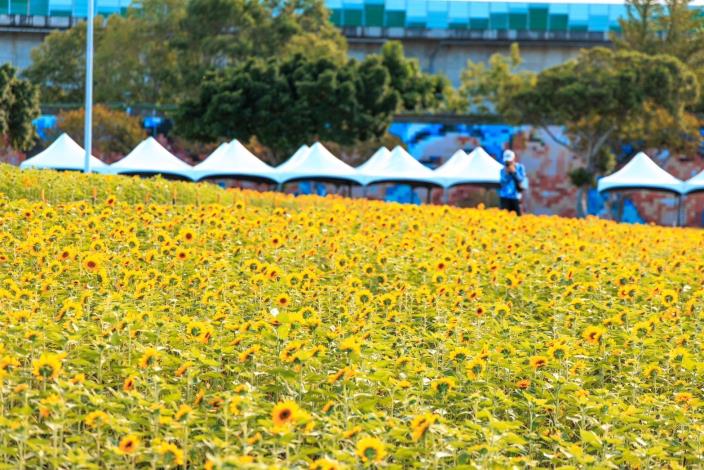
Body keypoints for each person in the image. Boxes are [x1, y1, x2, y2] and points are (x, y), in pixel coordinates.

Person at [499, 149, 526, 215]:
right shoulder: (502, 170)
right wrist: (507, 174)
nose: (508, 163)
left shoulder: (520, 168)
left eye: (510, 161)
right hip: (505, 197)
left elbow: (522, 180)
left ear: (513, 159)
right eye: (507, 162)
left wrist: (514, 172)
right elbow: (503, 183)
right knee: (504, 216)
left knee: (518, 216)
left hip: (516, 196)